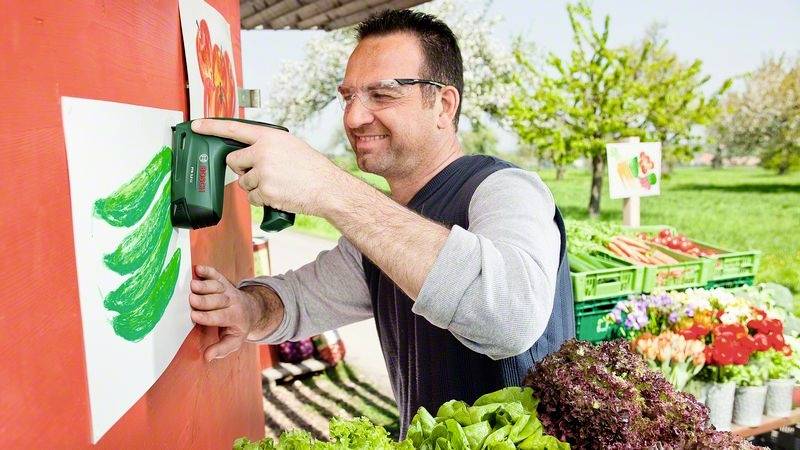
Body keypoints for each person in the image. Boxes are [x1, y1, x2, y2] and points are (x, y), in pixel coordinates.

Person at [187, 9, 575, 436]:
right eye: (348, 96)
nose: (353, 119)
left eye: (383, 95)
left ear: (444, 106)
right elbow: (300, 299)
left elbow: (509, 317)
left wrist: (330, 188)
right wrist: (249, 308)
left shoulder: (506, 189)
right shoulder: (377, 232)